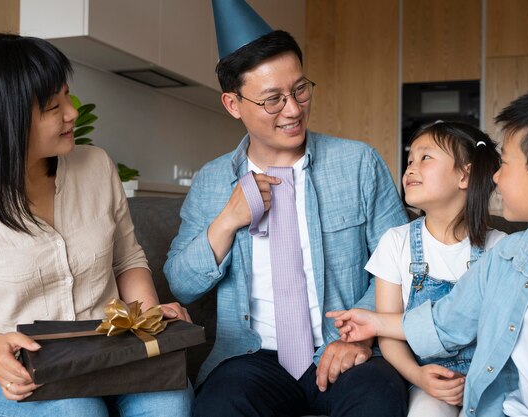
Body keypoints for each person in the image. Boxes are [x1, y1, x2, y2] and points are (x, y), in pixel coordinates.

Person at [164, 1, 409, 416]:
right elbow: (182, 284)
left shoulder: (358, 164)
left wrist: (361, 334)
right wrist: (228, 220)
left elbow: (402, 263)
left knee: (378, 398)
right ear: (233, 104)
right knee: (220, 406)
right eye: (273, 100)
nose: (294, 110)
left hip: (342, 346)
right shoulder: (211, 181)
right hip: (250, 358)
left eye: (300, 89)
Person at [328, 82, 528, 417]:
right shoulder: (508, 258)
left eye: (506, 166)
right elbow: (448, 321)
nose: (495, 178)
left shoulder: (498, 248)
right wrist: (375, 323)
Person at [0, 34, 194, 417]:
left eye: (67, 96)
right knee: (76, 410)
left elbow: (127, 260)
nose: (71, 113)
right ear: (5, 119)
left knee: (170, 401)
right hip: (2, 374)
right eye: (52, 106)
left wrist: (147, 319)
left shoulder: (95, 166)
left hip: (110, 354)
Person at [328, 121, 506, 416]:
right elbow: (388, 330)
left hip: (490, 378)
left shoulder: (502, 248)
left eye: (426, 158)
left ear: (465, 175)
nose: (410, 169)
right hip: (427, 381)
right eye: (410, 160)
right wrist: (418, 376)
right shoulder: (396, 242)